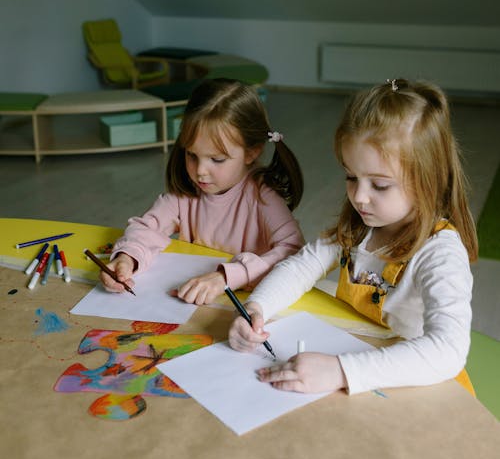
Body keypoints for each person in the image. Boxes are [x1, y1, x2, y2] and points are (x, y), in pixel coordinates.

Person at [228, 78, 478, 396]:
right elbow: (300, 268)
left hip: (404, 384)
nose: (359, 197)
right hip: (351, 359)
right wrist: (257, 308)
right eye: (350, 176)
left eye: (380, 185)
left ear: (429, 179)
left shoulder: (440, 253)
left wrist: (341, 370)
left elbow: (448, 351)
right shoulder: (360, 227)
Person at [102, 78, 305, 304]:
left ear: (252, 152)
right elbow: (147, 228)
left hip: (246, 306)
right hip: (192, 303)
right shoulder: (185, 194)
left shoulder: (264, 198)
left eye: (217, 159)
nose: (200, 172)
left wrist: (226, 277)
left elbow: (294, 253)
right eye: (191, 155)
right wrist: (127, 258)